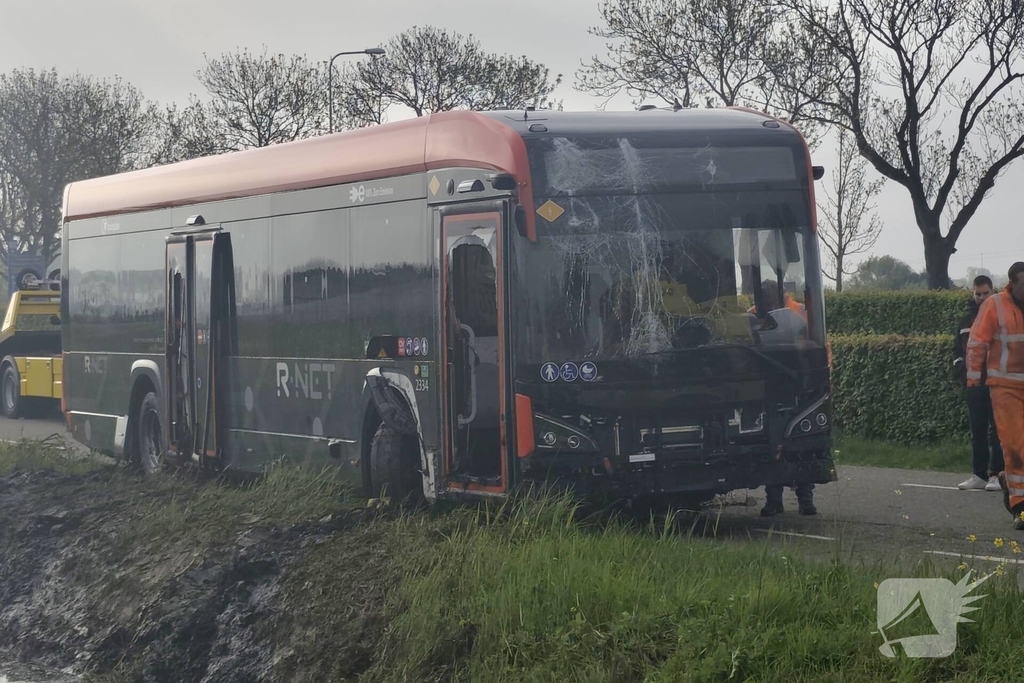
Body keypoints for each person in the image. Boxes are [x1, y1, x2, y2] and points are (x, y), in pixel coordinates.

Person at [966, 262, 1024, 529]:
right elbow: (977, 341)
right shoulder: (995, 304)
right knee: (1015, 447)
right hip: (1005, 387)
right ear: (1012, 283)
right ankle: (1020, 508)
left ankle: (1006, 481)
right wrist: (974, 378)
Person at [751, 280, 816, 516]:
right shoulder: (752, 316)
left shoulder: (798, 312)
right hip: (771, 388)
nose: (765, 302)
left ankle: (805, 499)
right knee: (774, 446)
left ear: (778, 296)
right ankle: (775, 500)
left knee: (800, 444)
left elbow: (813, 346)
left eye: (768, 296)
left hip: (798, 383)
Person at [954, 275, 1004, 491]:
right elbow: (957, 351)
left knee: (998, 431)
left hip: (997, 382)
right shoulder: (965, 321)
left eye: (985, 293)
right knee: (978, 430)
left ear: (993, 292)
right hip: (974, 384)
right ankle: (979, 474)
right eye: (978, 294)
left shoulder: (1001, 319)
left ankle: (996, 474)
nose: (982, 297)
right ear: (973, 294)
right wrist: (960, 372)